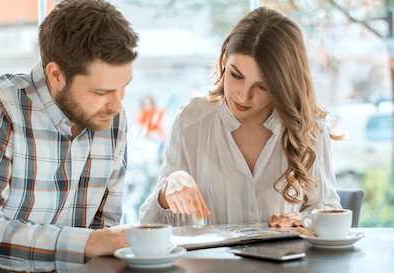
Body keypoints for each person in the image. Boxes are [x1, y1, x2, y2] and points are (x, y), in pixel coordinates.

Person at [0, 0, 139, 272]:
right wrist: (84, 243)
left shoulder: (111, 118)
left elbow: (105, 227)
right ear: (56, 74)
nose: (116, 105)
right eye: (100, 92)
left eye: (124, 86)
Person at [139, 7, 343, 228]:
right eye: (236, 76)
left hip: (288, 260)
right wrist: (166, 192)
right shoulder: (191, 121)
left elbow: (326, 208)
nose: (244, 96)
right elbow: (149, 225)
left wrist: (307, 219)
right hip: (217, 262)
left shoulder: (308, 126)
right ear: (225, 58)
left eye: (262, 86)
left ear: (282, 85)